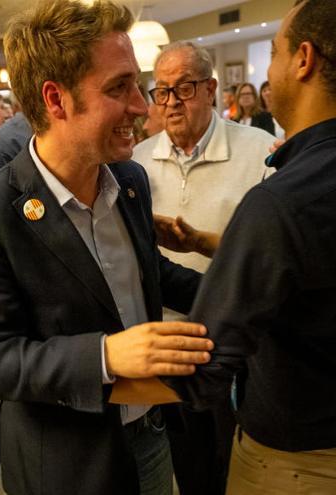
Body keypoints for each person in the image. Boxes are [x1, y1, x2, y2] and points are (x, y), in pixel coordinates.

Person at [0, 1, 214, 493]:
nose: (141, 105)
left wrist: (235, 293)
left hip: (152, 434)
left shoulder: (129, 180)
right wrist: (105, 356)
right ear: (55, 99)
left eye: (137, 83)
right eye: (118, 87)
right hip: (68, 463)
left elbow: (144, 272)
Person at [164, 0, 336, 493]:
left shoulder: (278, 200)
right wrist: (216, 244)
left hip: (296, 458)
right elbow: (317, 268)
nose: (269, 71)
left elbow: (209, 361)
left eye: (274, 52)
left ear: (304, 59)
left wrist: (91, 367)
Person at [131, 40, 275, 495]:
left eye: (185, 88)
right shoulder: (137, 162)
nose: (172, 102)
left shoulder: (260, 152)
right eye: (162, 91)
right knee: (188, 467)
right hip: (169, 342)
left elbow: (272, 251)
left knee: (237, 466)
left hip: (236, 343)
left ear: (211, 89)